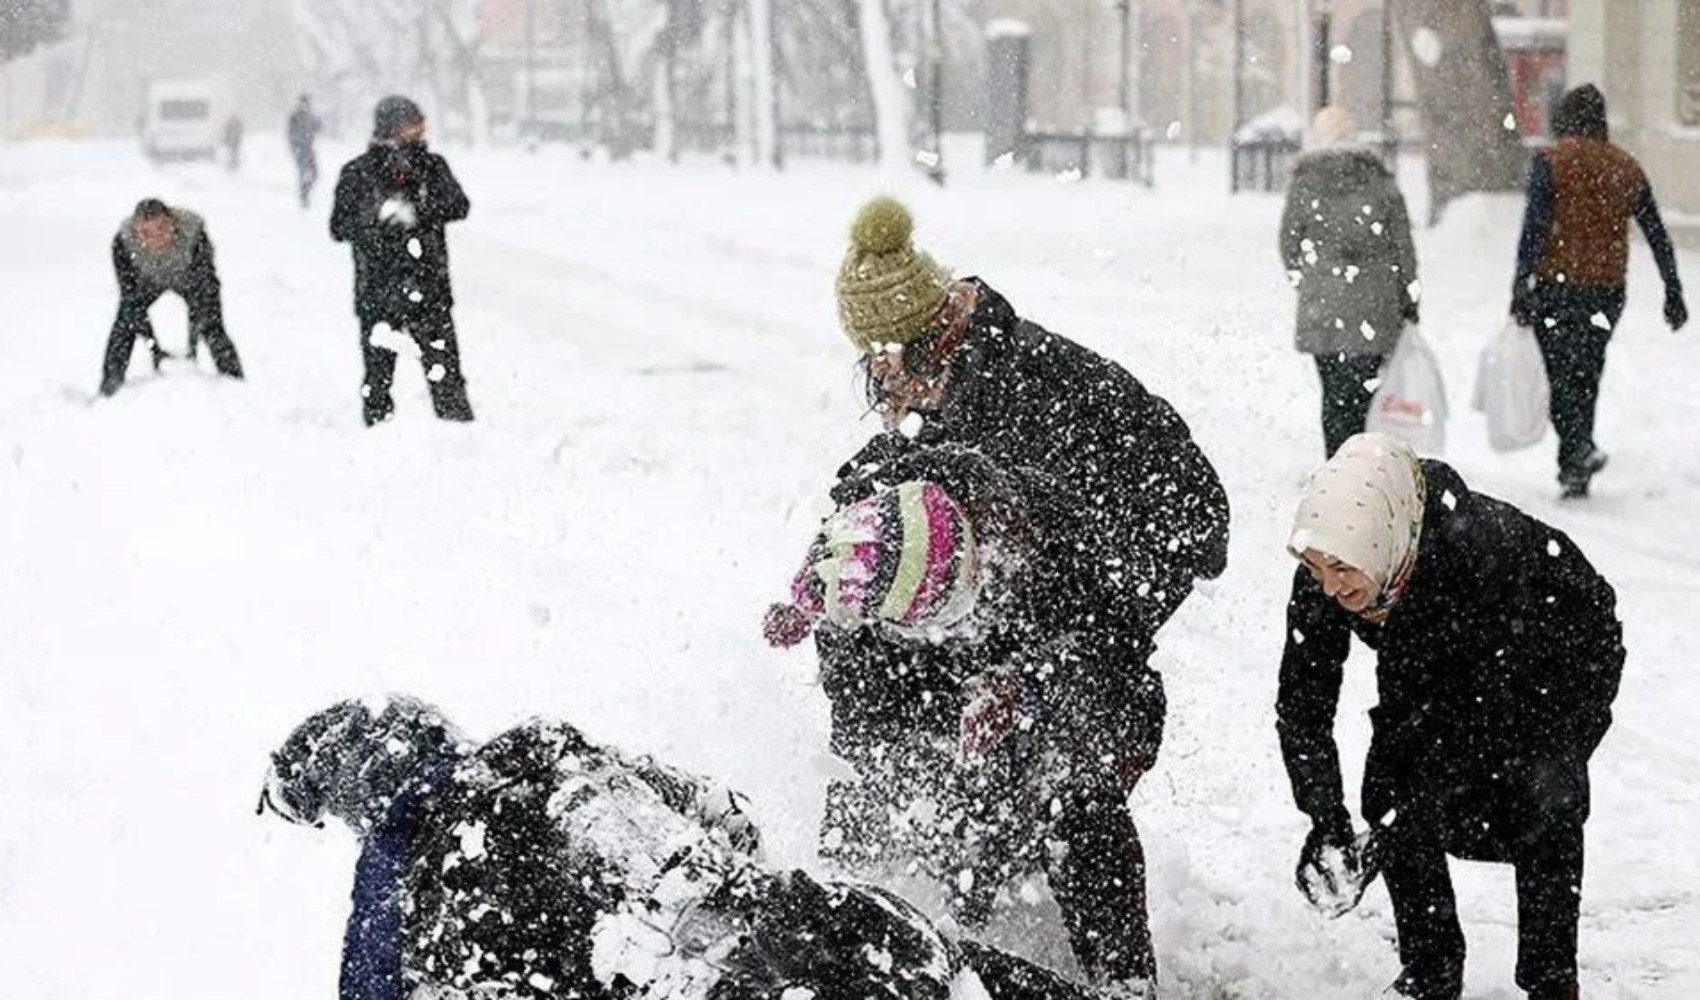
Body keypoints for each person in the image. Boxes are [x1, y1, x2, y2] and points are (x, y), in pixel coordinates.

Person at [772, 197, 1230, 998]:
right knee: (906, 757)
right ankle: (897, 928)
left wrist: (1030, 671)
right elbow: (874, 513)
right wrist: (829, 584)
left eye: (880, 360)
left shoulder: (1033, 401)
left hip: (1115, 591)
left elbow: (1184, 528)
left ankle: (1121, 981)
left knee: (1062, 769)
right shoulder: (940, 405)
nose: (877, 382)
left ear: (926, 343)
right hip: (1000, 592)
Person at [259, 695, 1117, 1000]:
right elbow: (729, 813)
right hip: (841, 928)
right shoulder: (547, 746)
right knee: (949, 971)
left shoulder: (414, 916)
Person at [1276, 433, 1624, 1000]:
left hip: (1551, 655)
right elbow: (1302, 703)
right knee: (1391, 791)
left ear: (1381, 544)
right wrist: (1325, 816)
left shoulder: (1476, 551)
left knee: (1543, 797)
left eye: (1341, 569)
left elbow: (1444, 713)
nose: (1330, 586)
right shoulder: (1333, 560)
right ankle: (1431, 969)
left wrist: (1563, 746)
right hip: (1446, 664)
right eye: (1315, 567)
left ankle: (1551, 977)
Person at [1510, 83, 1688, 499]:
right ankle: (1577, 462)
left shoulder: (1551, 163)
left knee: (1560, 377)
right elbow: (1656, 232)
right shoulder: (1625, 167)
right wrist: (1672, 288)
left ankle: (1577, 451)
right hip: (1606, 291)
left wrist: (1520, 283)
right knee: (1586, 373)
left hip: (1557, 288)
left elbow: (1534, 229)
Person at [1279, 105, 1420, 458]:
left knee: (1333, 392)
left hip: (1323, 306)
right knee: (1361, 395)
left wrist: (1310, 280)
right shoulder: (1380, 180)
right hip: (1375, 304)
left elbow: (1288, 242)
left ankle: (1336, 462)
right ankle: (1358, 461)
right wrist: (1408, 296)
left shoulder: (1305, 181)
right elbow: (1403, 247)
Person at [330, 96, 474, 426]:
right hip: (378, 292)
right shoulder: (358, 172)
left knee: (446, 376)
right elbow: (339, 226)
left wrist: (418, 213)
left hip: (430, 289)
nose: (420, 130)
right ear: (391, 127)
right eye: (413, 123)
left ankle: (460, 442)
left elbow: (458, 205)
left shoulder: (432, 167)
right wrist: (377, 221)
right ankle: (379, 442)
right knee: (378, 380)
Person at [100, 198, 245, 397]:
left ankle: (235, 383)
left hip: (188, 277)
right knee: (124, 324)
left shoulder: (194, 233)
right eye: (146, 233)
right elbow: (130, 298)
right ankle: (109, 387)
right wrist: (154, 348)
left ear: (173, 222)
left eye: (161, 229)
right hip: (147, 281)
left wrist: (194, 340)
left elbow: (207, 285)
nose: (156, 239)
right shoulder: (123, 243)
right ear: (136, 231)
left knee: (212, 325)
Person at [287, 95, 323, 209]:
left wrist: (318, 123)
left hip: (309, 148)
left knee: (315, 173)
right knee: (304, 172)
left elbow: (318, 128)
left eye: (307, 103)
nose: (305, 106)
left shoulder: (310, 116)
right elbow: (290, 134)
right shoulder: (295, 117)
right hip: (299, 149)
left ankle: (305, 193)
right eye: (303, 103)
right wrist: (295, 147)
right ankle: (304, 197)